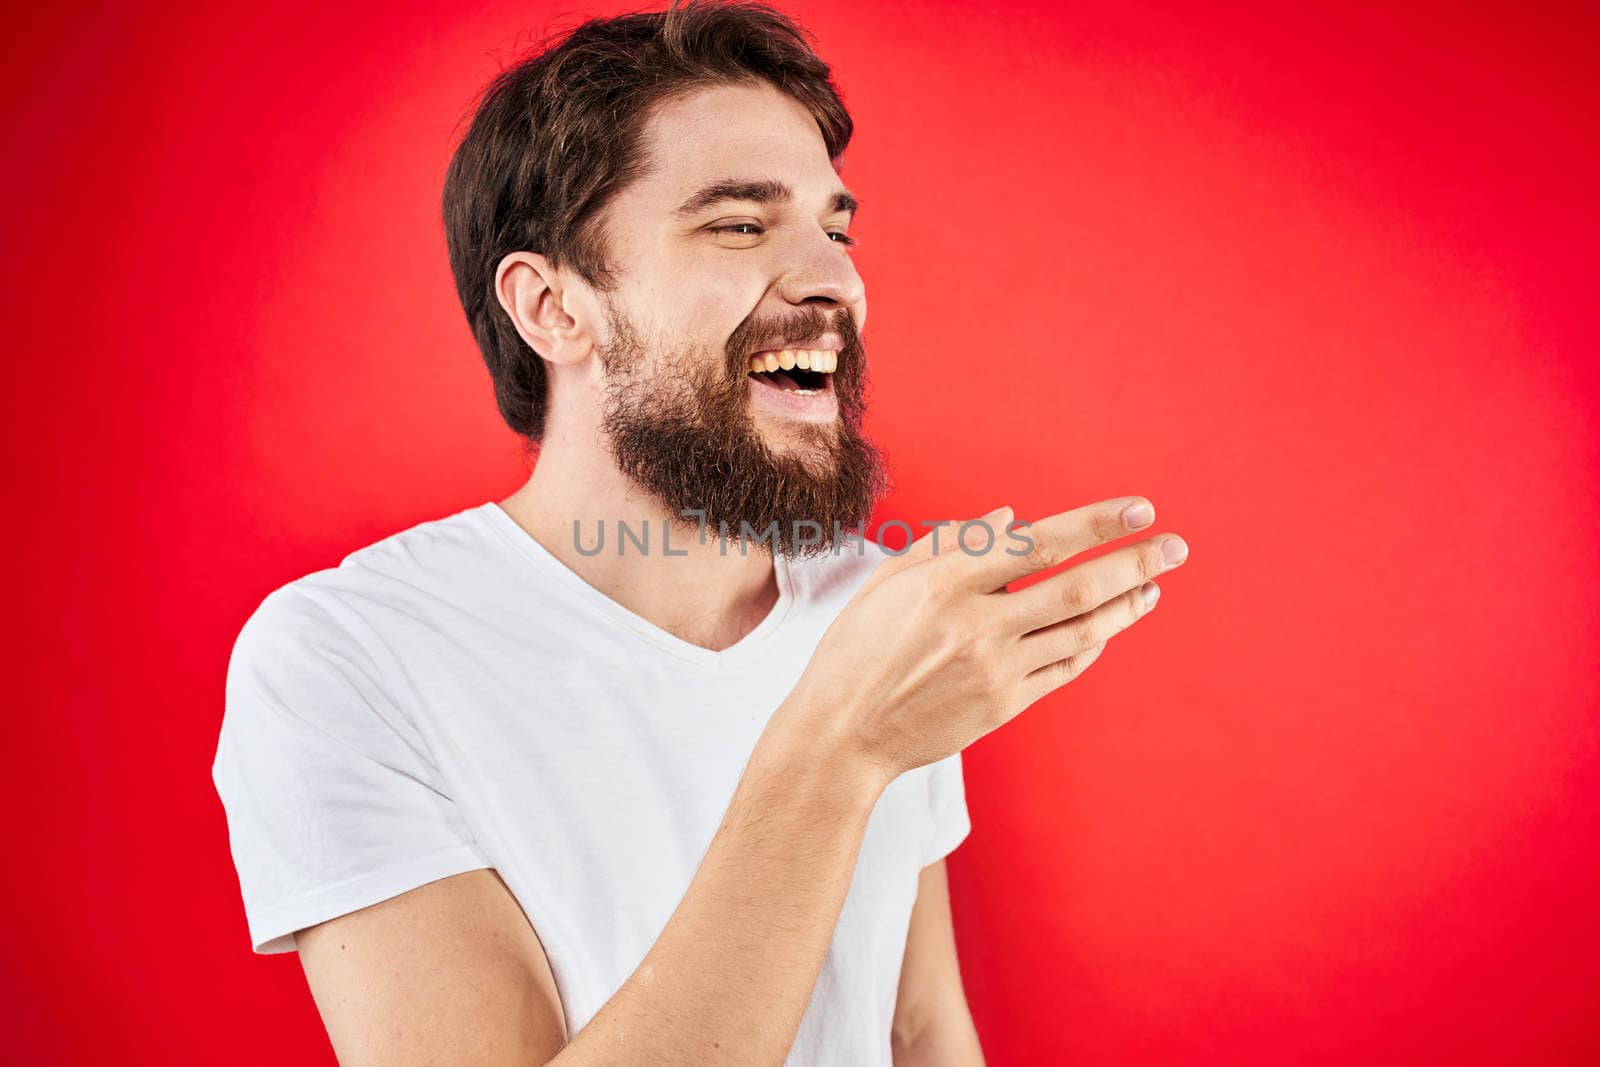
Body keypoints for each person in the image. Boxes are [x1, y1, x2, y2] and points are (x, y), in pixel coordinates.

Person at [210, 1, 1189, 1063]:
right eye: (738, 223)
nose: (836, 282)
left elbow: (915, 1025)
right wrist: (840, 740)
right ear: (552, 306)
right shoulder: (349, 659)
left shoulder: (883, 610)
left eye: (835, 227)